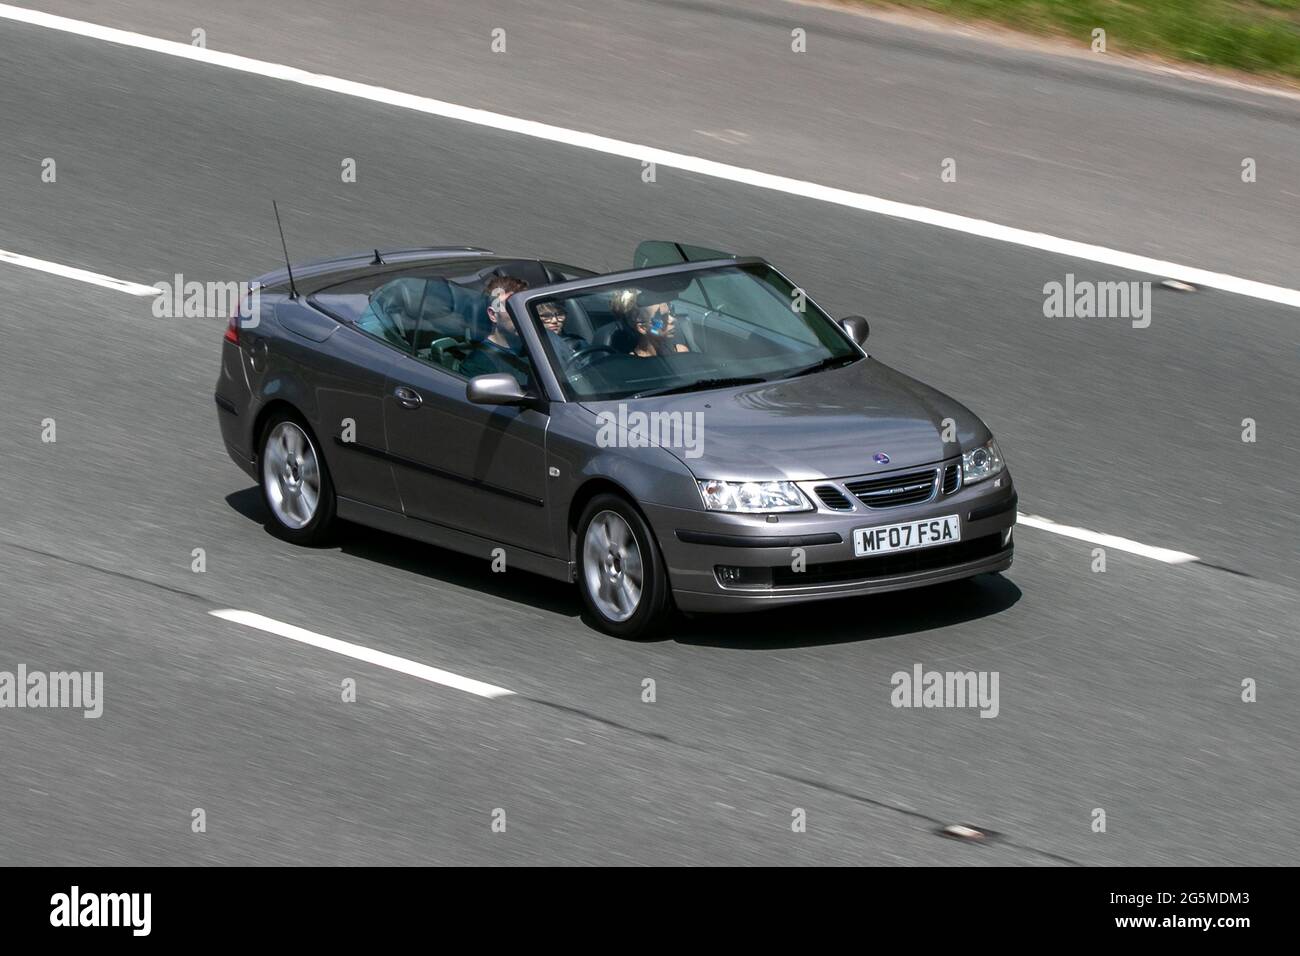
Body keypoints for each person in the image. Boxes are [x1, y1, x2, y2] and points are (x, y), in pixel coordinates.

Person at [460, 276, 531, 384]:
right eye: (511, 307)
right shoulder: (477, 364)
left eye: (525, 306)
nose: (522, 313)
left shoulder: (540, 346)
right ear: (493, 315)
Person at [610, 288, 689, 357]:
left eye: (671, 312)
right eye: (662, 317)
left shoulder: (681, 351)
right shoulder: (632, 365)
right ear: (643, 328)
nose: (673, 320)